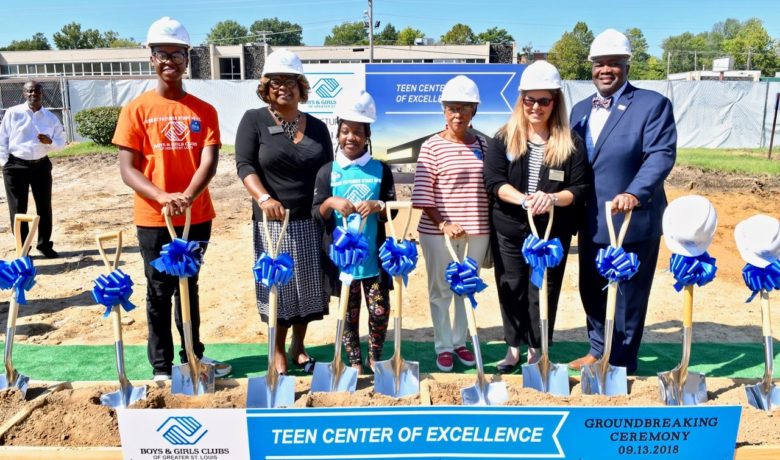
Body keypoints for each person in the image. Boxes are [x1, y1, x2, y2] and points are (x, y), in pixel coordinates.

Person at [113, 16, 231, 381]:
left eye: (177, 54)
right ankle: (162, 368)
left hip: (196, 215)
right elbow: (128, 169)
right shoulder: (136, 109)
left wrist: (186, 197)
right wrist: (163, 197)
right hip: (153, 217)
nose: (169, 61)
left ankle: (193, 358)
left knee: (188, 286)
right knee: (159, 288)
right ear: (151, 58)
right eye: (162, 54)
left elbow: (208, 161)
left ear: (187, 59)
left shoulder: (204, 110)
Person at [568, 29, 677, 375]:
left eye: (614, 63)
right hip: (591, 219)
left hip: (632, 220)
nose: (606, 69)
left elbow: (660, 155)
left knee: (628, 295)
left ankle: (621, 361)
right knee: (591, 287)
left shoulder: (652, 105)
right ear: (591, 67)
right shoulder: (579, 110)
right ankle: (598, 348)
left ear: (627, 65)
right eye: (600, 63)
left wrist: (635, 191)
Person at [483, 61, 589, 373]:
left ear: (555, 103)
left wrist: (552, 198)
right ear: (521, 101)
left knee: (543, 289)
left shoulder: (570, 143)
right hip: (511, 229)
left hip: (551, 234)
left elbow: (580, 188)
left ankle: (536, 350)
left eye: (544, 101)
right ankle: (513, 349)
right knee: (512, 286)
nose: (536, 107)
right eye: (530, 99)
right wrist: (524, 200)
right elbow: (494, 182)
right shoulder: (503, 139)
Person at [235, 49, 332, 375]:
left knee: (307, 288)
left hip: (310, 219)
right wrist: (263, 198)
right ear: (265, 86)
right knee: (278, 287)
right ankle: (277, 351)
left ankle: (298, 347)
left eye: (291, 81)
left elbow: (330, 172)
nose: (283, 87)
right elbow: (245, 165)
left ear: (301, 87)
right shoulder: (254, 120)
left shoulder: (318, 127)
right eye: (276, 81)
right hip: (272, 221)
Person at [312, 90, 396, 375]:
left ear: (367, 135)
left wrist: (378, 205)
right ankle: (355, 364)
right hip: (344, 263)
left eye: (358, 132)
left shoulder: (381, 170)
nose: (351, 138)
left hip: (374, 261)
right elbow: (316, 213)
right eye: (345, 131)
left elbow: (392, 211)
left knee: (380, 311)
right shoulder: (328, 172)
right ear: (338, 133)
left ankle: (375, 357)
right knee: (348, 314)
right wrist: (330, 202)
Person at [411, 75, 489, 372]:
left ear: (474, 112)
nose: (458, 114)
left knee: (465, 289)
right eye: (452, 108)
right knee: (441, 289)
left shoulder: (483, 144)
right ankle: (443, 345)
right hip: (437, 233)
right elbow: (423, 193)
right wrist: (443, 223)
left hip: (477, 232)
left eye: (465, 108)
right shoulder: (431, 146)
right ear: (444, 110)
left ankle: (461, 342)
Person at [0, 81, 65, 258]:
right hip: (15, 166)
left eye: (36, 91)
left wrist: (49, 142)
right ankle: (23, 248)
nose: (33, 94)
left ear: (41, 93)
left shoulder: (50, 118)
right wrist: (5, 162)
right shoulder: (13, 113)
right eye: (29, 91)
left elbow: (61, 144)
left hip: (41, 166)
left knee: (44, 207)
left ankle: (44, 245)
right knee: (18, 209)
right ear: (24, 93)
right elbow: (2, 138)